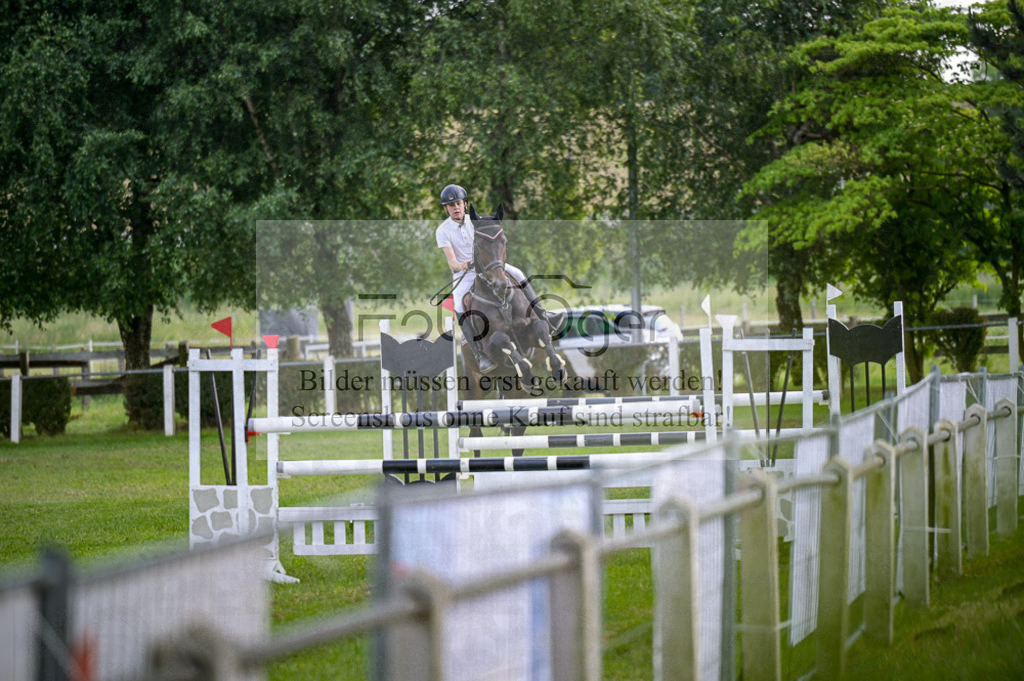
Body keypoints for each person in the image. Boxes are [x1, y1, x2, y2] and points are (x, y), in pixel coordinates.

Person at [435, 183, 560, 373]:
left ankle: (544, 316)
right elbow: (451, 261)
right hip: (465, 273)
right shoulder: (442, 231)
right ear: (446, 208)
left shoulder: (476, 221)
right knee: (459, 304)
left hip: (490, 266)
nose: (456, 208)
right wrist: (463, 265)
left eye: (458, 203)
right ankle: (480, 353)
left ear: (465, 204)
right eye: (451, 205)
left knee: (519, 274)